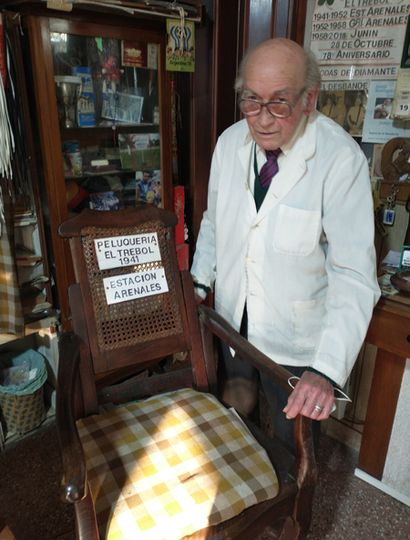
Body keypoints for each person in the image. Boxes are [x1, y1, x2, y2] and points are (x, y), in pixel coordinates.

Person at [190, 38, 380, 452]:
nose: (261, 119)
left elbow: (354, 275)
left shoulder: (339, 160)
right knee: (234, 423)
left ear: (309, 98)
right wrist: (199, 283)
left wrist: (325, 370)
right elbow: (214, 222)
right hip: (234, 324)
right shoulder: (229, 144)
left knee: (290, 447)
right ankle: (242, 501)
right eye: (251, 101)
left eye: (279, 103)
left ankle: (286, 513)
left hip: (294, 346)